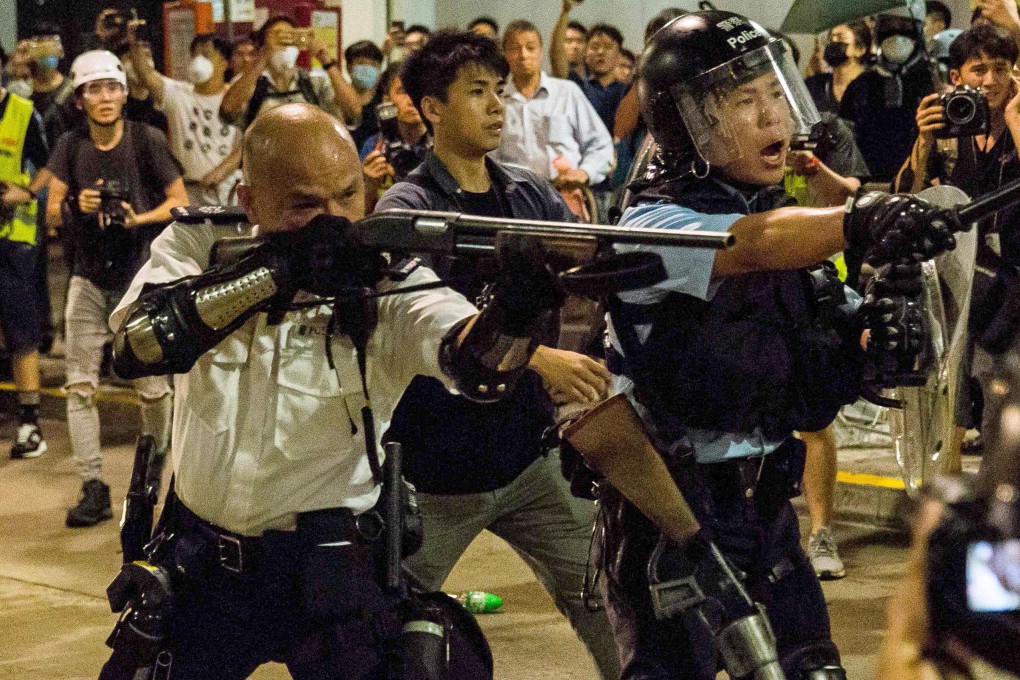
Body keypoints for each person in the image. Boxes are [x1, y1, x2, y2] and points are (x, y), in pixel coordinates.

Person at [100, 101, 563, 679]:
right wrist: (277, 272)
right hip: (201, 568)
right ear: (250, 202)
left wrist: (514, 313)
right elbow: (139, 345)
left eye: (348, 195)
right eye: (305, 205)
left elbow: (480, 369)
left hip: (330, 573)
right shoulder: (201, 243)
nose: (336, 221)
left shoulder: (389, 278)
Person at [599, 10, 961, 678]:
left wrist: (879, 333)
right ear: (689, 124)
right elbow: (751, 245)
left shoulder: (776, 211)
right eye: (746, 100)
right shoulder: (655, 224)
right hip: (673, 518)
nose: (774, 116)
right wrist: (860, 216)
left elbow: (825, 312)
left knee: (812, 668)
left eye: (776, 90)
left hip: (766, 508)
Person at [376, 31, 622, 680]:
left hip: (529, 462)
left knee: (612, 603)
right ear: (432, 109)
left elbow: (587, 270)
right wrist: (541, 359)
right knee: (378, 634)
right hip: (434, 477)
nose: (496, 106)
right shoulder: (408, 208)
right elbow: (433, 323)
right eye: (476, 92)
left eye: (499, 91)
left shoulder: (528, 195)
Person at [45, 50, 185, 527]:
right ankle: (93, 486)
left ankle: (154, 475)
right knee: (79, 387)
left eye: (111, 87)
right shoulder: (71, 145)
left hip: (139, 277)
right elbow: (52, 210)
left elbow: (179, 200)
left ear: (125, 93)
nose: (104, 97)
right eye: (93, 89)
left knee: (154, 390)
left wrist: (138, 218)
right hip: (87, 275)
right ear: (80, 99)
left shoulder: (146, 140)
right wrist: (76, 204)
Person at [896, 24, 1020, 466]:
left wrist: (1015, 120)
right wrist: (924, 138)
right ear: (957, 77)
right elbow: (907, 194)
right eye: (978, 70)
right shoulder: (952, 125)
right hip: (965, 275)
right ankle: (950, 470)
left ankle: (998, 476)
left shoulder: (1018, 119)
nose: (989, 81)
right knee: (955, 378)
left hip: (1014, 276)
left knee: (999, 383)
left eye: (1000, 69)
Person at [495, 19, 614, 221]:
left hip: (564, 197)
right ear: (505, 54)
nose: (523, 55)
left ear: (541, 51)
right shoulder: (497, 101)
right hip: (513, 204)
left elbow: (601, 144)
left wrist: (585, 172)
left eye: (530, 47)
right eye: (515, 48)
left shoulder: (567, 93)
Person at [0, 72, 52, 459]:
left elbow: (52, 163)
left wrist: (29, 192)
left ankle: (30, 423)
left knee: (21, 331)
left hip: (13, 239)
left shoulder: (23, 112)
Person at [127, 32, 242, 206]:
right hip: (189, 190)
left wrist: (222, 171)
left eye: (206, 55)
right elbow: (146, 75)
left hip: (227, 190)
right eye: (195, 55)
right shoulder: (177, 94)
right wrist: (133, 41)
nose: (198, 61)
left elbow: (245, 144)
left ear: (224, 63)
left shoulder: (235, 98)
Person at [840, 12, 936, 182]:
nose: (897, 37)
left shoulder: (931, 83)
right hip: (869, 183)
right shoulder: (860, 85)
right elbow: (846, 138)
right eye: (889, 29)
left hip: (920, 179)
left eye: (905, 28)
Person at [219, 15, 344, 128]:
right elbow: (228, 110)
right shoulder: (250, 83)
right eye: (278, 39)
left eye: (290, 39)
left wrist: (326, 60)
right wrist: (263, 58)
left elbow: (351, 115)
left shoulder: (313, 82)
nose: (284, 47)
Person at [359, 63, 430, 212]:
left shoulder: (443, 144)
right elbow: (359, 214)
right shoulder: (375, 146)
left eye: (419, 90)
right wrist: (369, 186)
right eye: (403, 91)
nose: (412, 100)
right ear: (387, 99)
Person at [805, 22, 872, 115]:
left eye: (840, 38)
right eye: (830, 40)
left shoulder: (874, 88)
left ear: (860, 49)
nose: (834, 42)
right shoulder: (813, 85)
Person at [26, 34, 75, 144]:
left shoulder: (70, 90)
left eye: (51, 51)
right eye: (43, 52)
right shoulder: (24, 91)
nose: (48, 56)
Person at [113, 42, 168, 134]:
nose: (139, 65)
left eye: (147, 55)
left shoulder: (163, 106)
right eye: (130, 58)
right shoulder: (117, 110)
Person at [342, 40, 385, 150]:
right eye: (361, 63)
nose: (367, 69)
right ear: (349, 67)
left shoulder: (383, 98)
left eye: (373, 64)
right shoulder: (340, 97)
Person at [551, 0, 587, 80]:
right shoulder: (561, 77)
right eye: (569, 41)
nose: (575, 46)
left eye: (580, 41)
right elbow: (556, 50)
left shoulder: (595, 76)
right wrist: (565, 10)